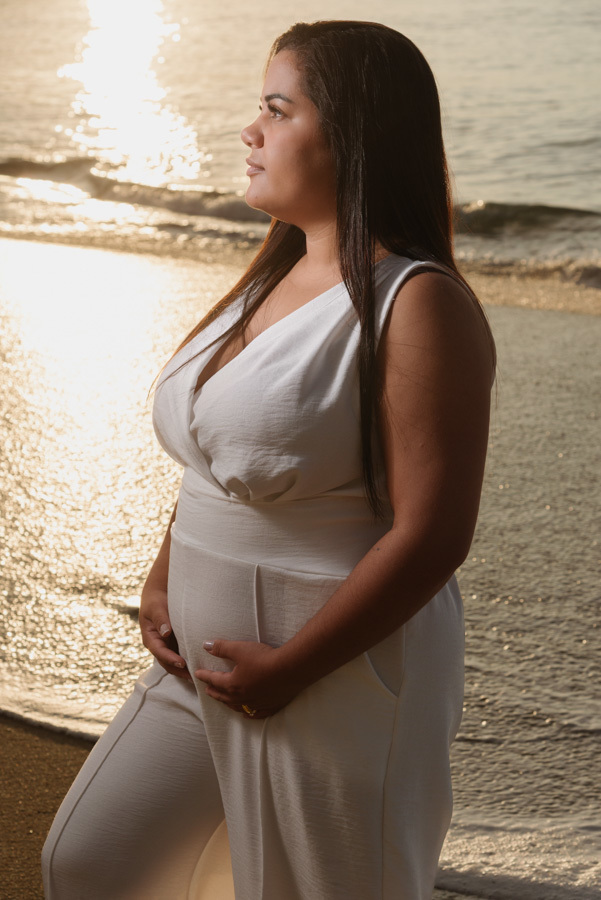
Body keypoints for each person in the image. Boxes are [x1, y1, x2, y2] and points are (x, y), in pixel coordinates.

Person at [42, 19, 495, 900]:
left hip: (333, 674)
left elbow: (435, 533)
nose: (249, 131)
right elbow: (218, 449)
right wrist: (164, 570)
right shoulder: (267, 276)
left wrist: (294, 667)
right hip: (207, 662)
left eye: (276, 109)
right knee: (90, 861)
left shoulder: (416, 303)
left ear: (352, 135)